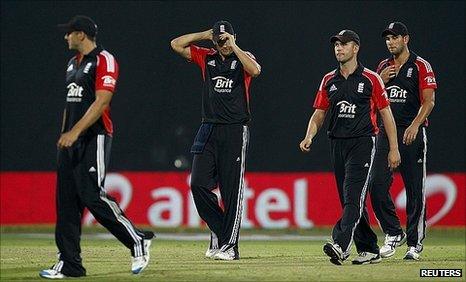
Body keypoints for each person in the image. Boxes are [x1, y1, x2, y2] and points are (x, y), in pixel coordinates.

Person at [40, 15, 154, 279]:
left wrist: (76, 132)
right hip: (70, 141)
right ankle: (70, 264)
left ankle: (137, 240)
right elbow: (70, 106)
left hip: (96, 136)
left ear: (82, 34)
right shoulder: (71, 64)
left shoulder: (105, 60)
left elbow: (102, 101)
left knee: (91, 194)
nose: (66, 37)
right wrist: (64, 136)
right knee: (66, 203)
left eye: (69, 33)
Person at [299, 30, 401, 265]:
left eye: (344, 44)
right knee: (350, 201)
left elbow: (386, 114)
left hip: (363, 143)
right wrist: (309, 136)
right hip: (337, 144)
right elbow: (319, 113)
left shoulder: (371, 78)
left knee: (353, 197)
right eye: (336, 44)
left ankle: (340, 244)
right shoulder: (329, 80)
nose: (339, 48)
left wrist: (393, 148)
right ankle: (369, 249)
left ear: (356, 48)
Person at [170, 20, 261, 261]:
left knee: (231, 191)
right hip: (208, 127)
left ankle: (230, 247)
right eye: (220, 41)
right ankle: (221, 234)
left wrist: (234, 45)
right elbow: (176, 45)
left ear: (234, 36)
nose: (224, 44)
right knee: (198, 184)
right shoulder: (206, 57)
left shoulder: (242, 57)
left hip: (234, 129)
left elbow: (255, 70)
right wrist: (205, 34)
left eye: (227, 39)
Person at [371, 22, 437, 260]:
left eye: (395, 37)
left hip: (412, 132)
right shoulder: (382, 67)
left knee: (414, 189)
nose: (390, 42)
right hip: (385, 133)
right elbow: (371, 98)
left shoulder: (420, 65)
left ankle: (414, 243)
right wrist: (379, 79)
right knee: (376, 184)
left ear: (406, 39)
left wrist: (415, 125)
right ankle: (392, 232)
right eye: (387, 38)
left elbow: (429, 101)